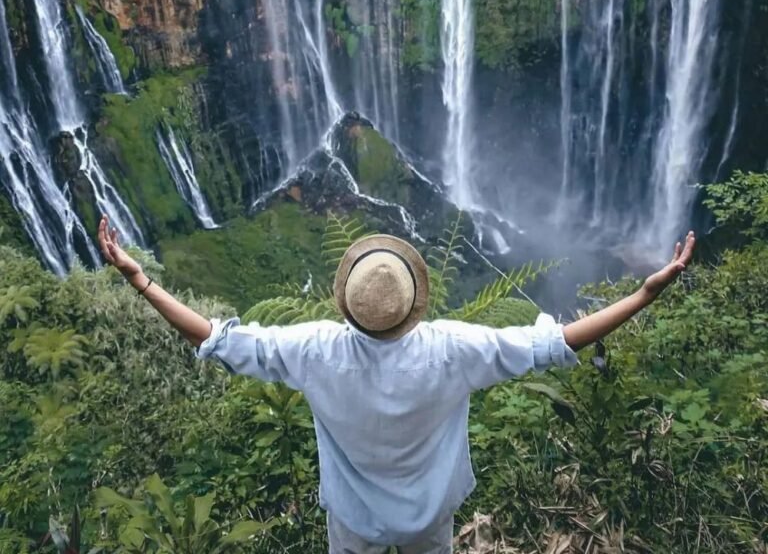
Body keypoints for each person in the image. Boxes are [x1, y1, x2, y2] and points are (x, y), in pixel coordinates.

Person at [96, 215, 695, 554]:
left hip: (352, 522)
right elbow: (559, 343)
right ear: (414, 299)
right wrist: (645, 292)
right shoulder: (455, 349)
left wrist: (141, 280)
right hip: (430, 519)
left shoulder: (313, 351)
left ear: (348, 305)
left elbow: (216, 340)